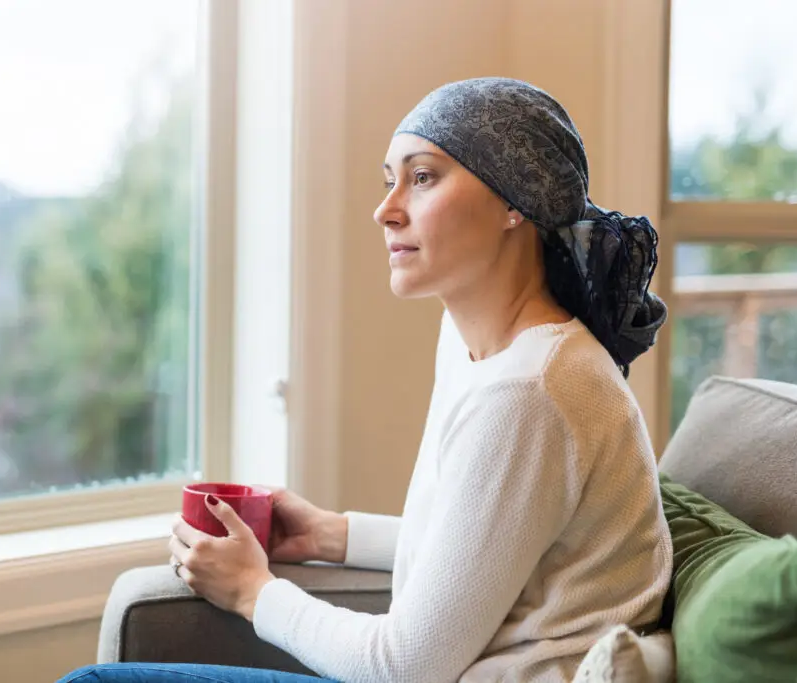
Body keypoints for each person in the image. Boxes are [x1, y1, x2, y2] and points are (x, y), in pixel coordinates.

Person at [58, 77, 672, 683]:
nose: (386, 208)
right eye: (390, 180)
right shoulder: (476, 345)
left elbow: (403, 668)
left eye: (422, 177)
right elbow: (483, 551)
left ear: (517, 200)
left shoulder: (532, 391)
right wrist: (332, 534)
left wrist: (252, 592)